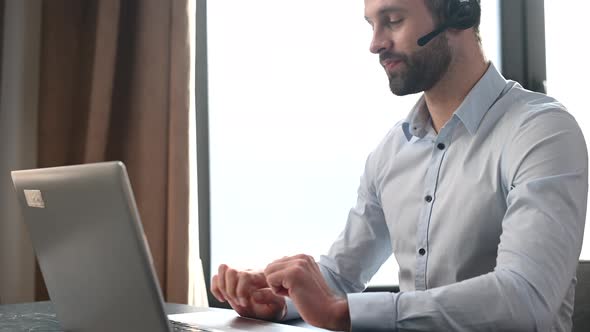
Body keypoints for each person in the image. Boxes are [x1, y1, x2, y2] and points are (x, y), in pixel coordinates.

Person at [211, 0, 588, 330]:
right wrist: (280, 300)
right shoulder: (392, 151)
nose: (375, 44)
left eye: (392, 20)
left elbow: (526, 299)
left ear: (459, 13)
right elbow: (341, 275)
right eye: (372, 24)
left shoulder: (542, 132)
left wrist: (345, 315)